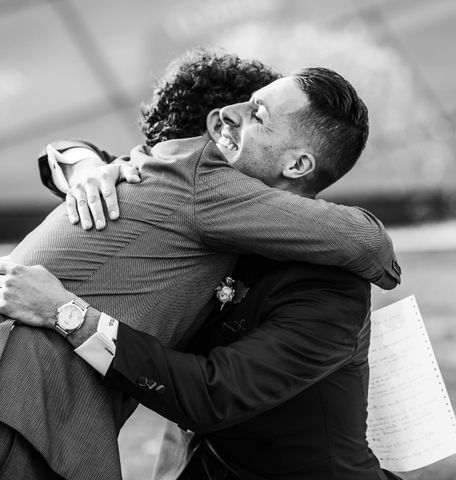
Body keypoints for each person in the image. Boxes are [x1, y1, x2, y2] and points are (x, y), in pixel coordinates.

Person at [0, 50, 400, 480]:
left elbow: (213, 394)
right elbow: (90, 156)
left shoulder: (326, 278)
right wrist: (85, 165)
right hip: (29, 399)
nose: (228, 117)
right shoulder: (187, 181)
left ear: (298, 164)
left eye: (257, 114)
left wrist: (68, 313)